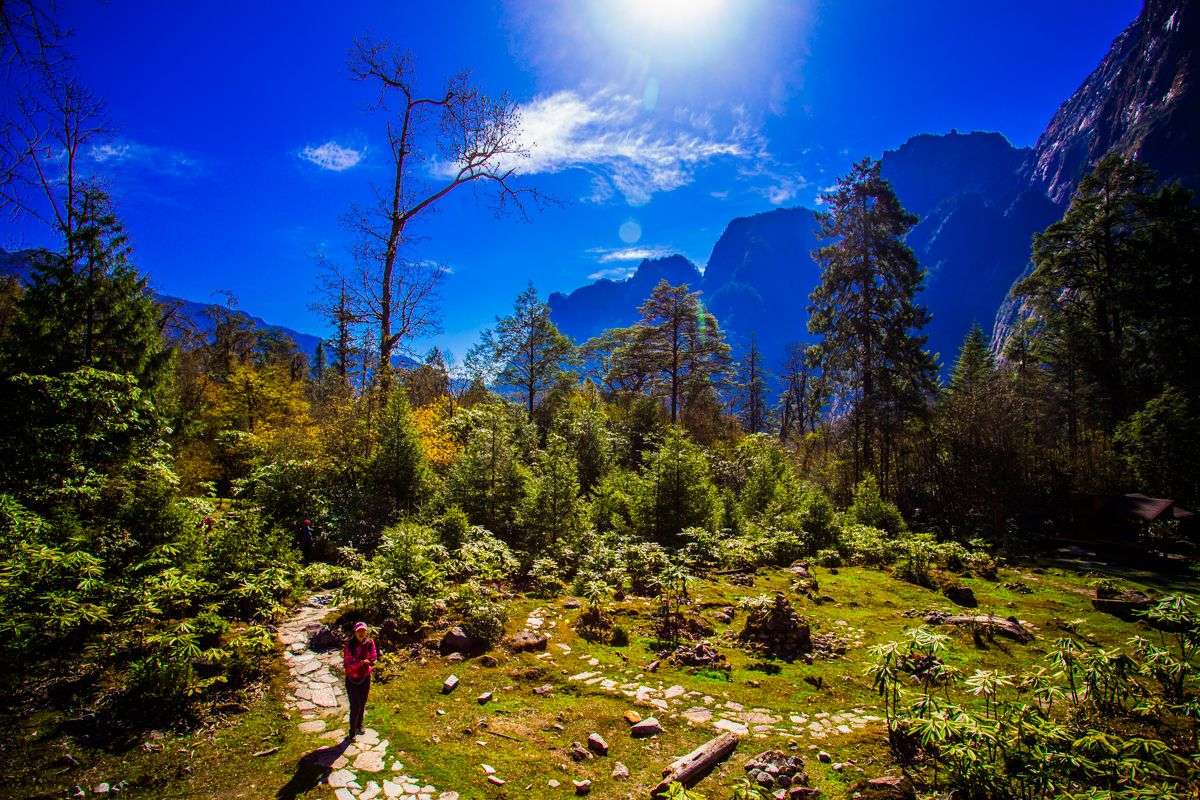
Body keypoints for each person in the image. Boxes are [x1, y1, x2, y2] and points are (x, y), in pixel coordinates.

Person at [343, 622, 377, 737]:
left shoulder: (370, 643)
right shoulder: (348, 645)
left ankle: (359, 725)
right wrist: (363, 662)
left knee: (362, 704)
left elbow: (373, 658)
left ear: (366, 631)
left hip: (365, 678)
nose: (361, 633)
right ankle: (352, 731)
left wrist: (363, 662)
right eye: (359, 631)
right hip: (352, 680)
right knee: (355, 706)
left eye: (363, 631)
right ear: (355, 632)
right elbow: (348, 663)